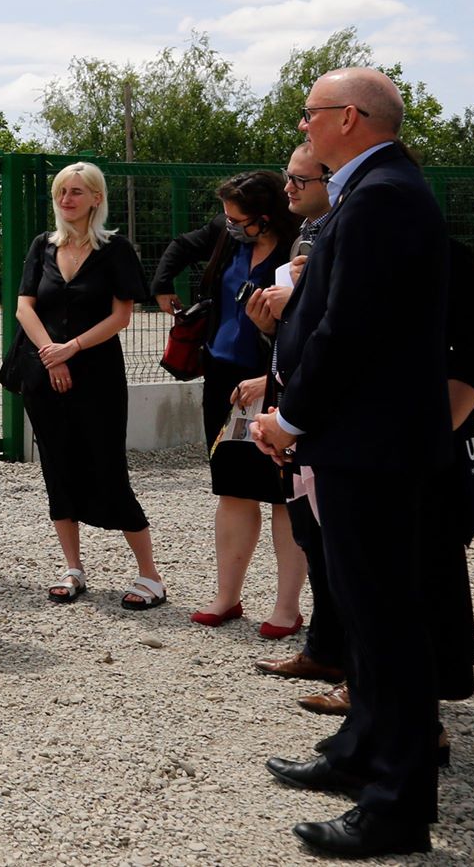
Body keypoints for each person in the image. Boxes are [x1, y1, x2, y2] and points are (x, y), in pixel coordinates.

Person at [250, 68, 450, 858]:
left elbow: (351, 327)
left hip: (372, 444)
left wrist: (290, 417)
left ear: (349, 117)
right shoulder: (372, 190)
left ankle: (397, 806)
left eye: (310, 114)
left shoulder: (382, 196)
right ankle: (361, 750)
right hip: (363, 440)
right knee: (367, 615)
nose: (302, 126)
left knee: (388, 621)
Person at [151, 171, 305, 634]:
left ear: (267, 217)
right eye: (227, 218)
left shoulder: (301, 250)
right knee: (233, 489)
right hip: (222, 378)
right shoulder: (226, 233)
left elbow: (313, 328)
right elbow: (181, 246)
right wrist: (162, 284)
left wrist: (270, 378)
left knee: (284, 495)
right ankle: (227, 597)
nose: (230, 226)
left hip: (276, 381)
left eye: (240, 220)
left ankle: (286, 608)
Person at [14, 162, 165, 611]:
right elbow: (24, 307)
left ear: (97, 198)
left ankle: (150, 576)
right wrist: (52, 353)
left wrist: (71, 349)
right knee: (57, 468)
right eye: (61, 191)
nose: (67, 199)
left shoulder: (116, 249)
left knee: (107, 468)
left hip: (97, 376)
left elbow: (121, 316)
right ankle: (73, 568)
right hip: (44, 374)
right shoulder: (43, 245)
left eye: (77, 191)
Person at [246, 145, 348, 696]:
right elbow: (300, 336)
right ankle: (325, 651)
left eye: (299, 180)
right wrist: (271, 328)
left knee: (346, 549)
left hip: (334, 422)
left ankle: (366, 673)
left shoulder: (350, 234)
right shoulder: (306, 237)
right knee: (312, 537)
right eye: (288, 178)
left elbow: (343, 335)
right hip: (298, 415)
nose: (287, 188)